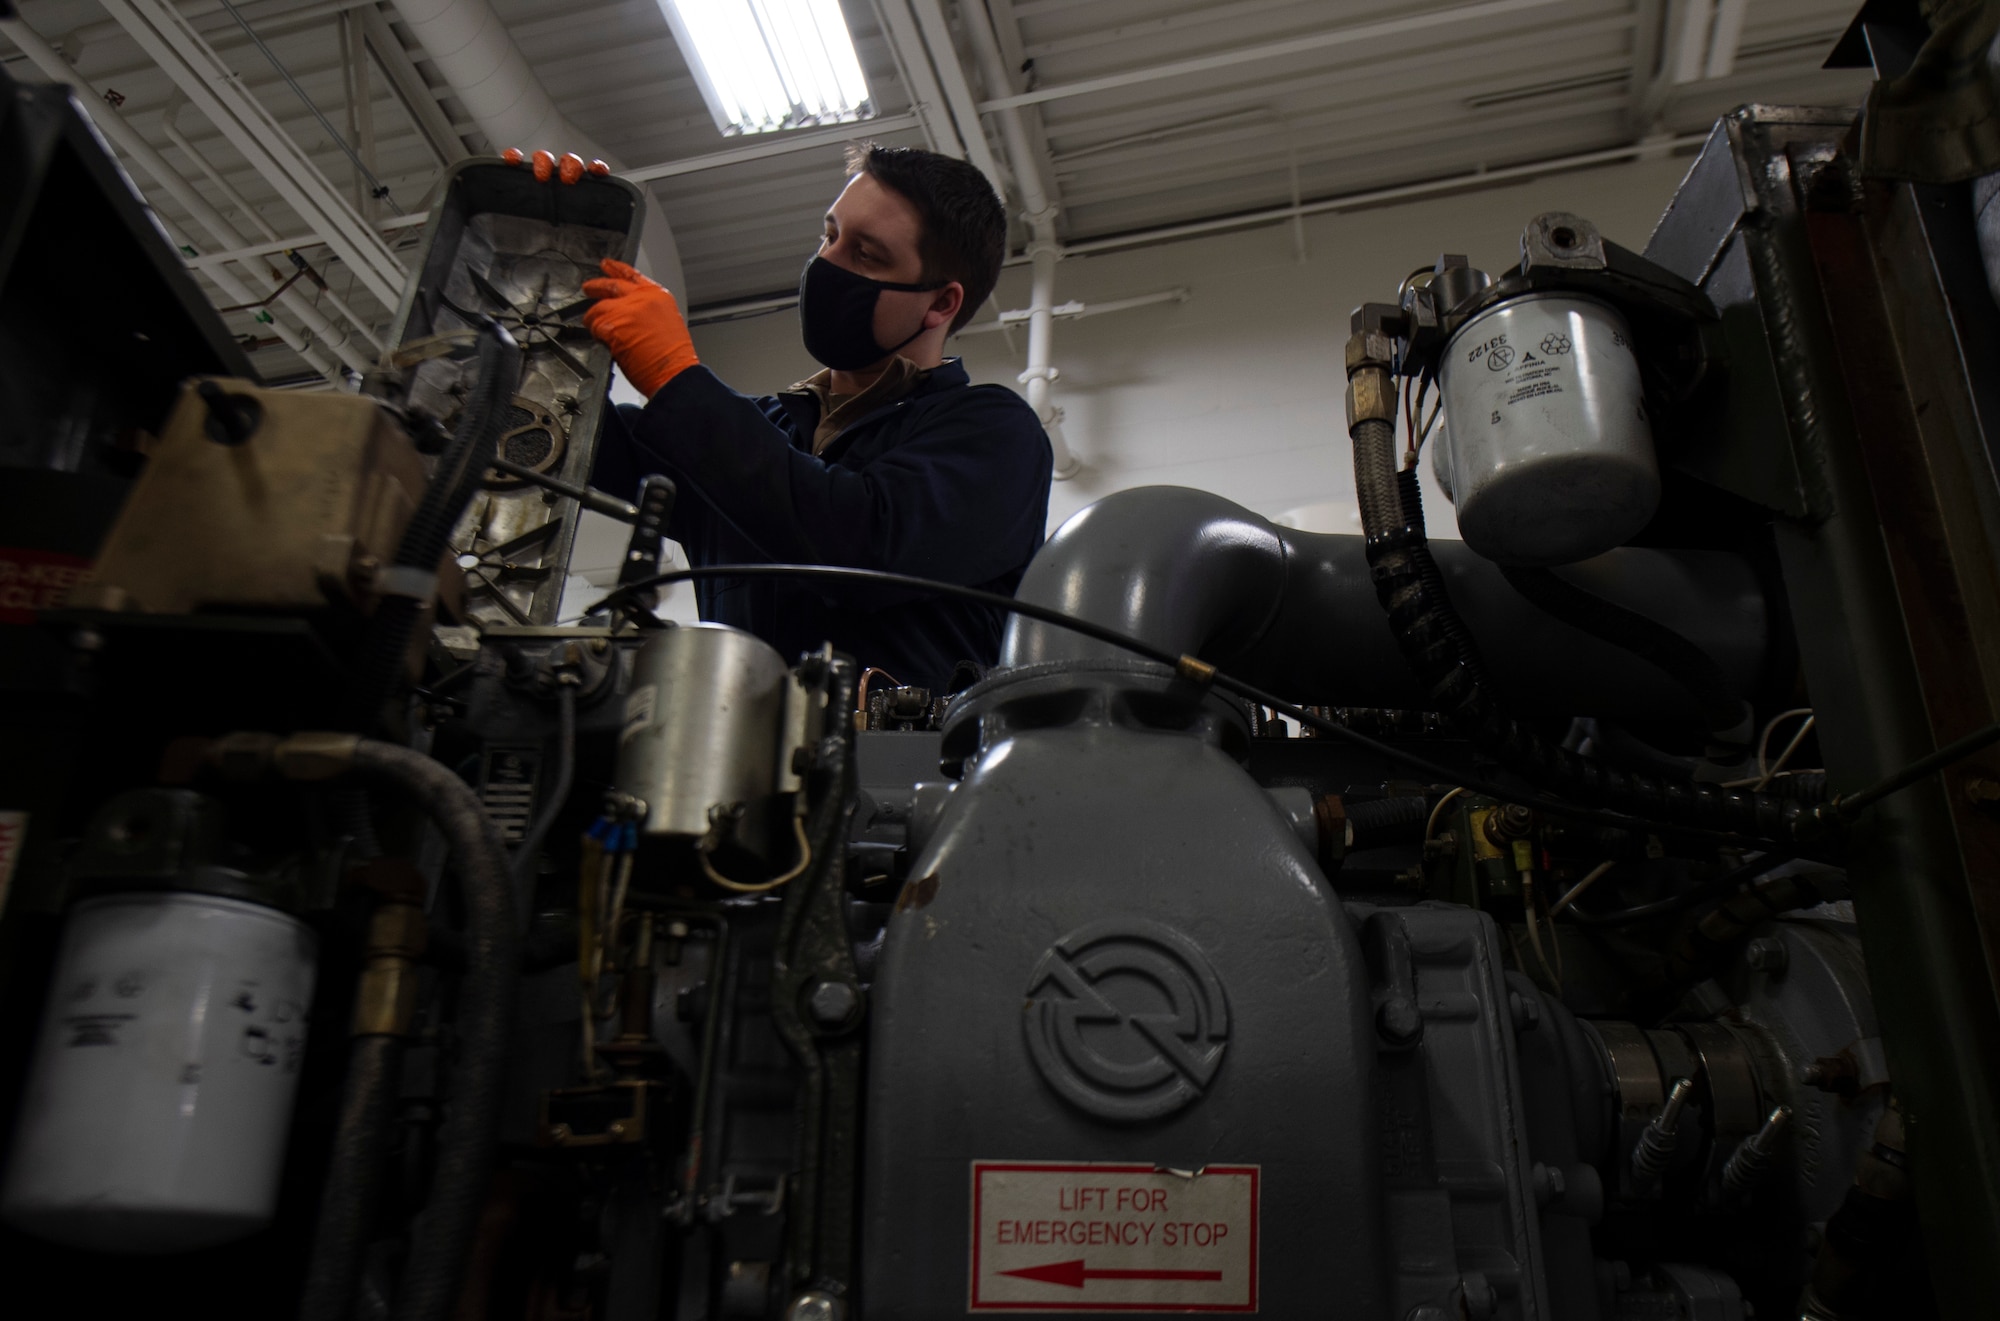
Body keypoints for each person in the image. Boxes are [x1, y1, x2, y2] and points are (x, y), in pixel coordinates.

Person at [569, 143, 1054, 692]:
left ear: (941, 304)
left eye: (866, 254)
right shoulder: (752, 430)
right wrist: (549, 261)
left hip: (903, 773)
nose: (827, 264)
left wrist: (677, 378)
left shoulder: (992, 432)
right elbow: (562, 438)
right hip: (722, 761)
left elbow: (860, 548)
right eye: (829, 236)